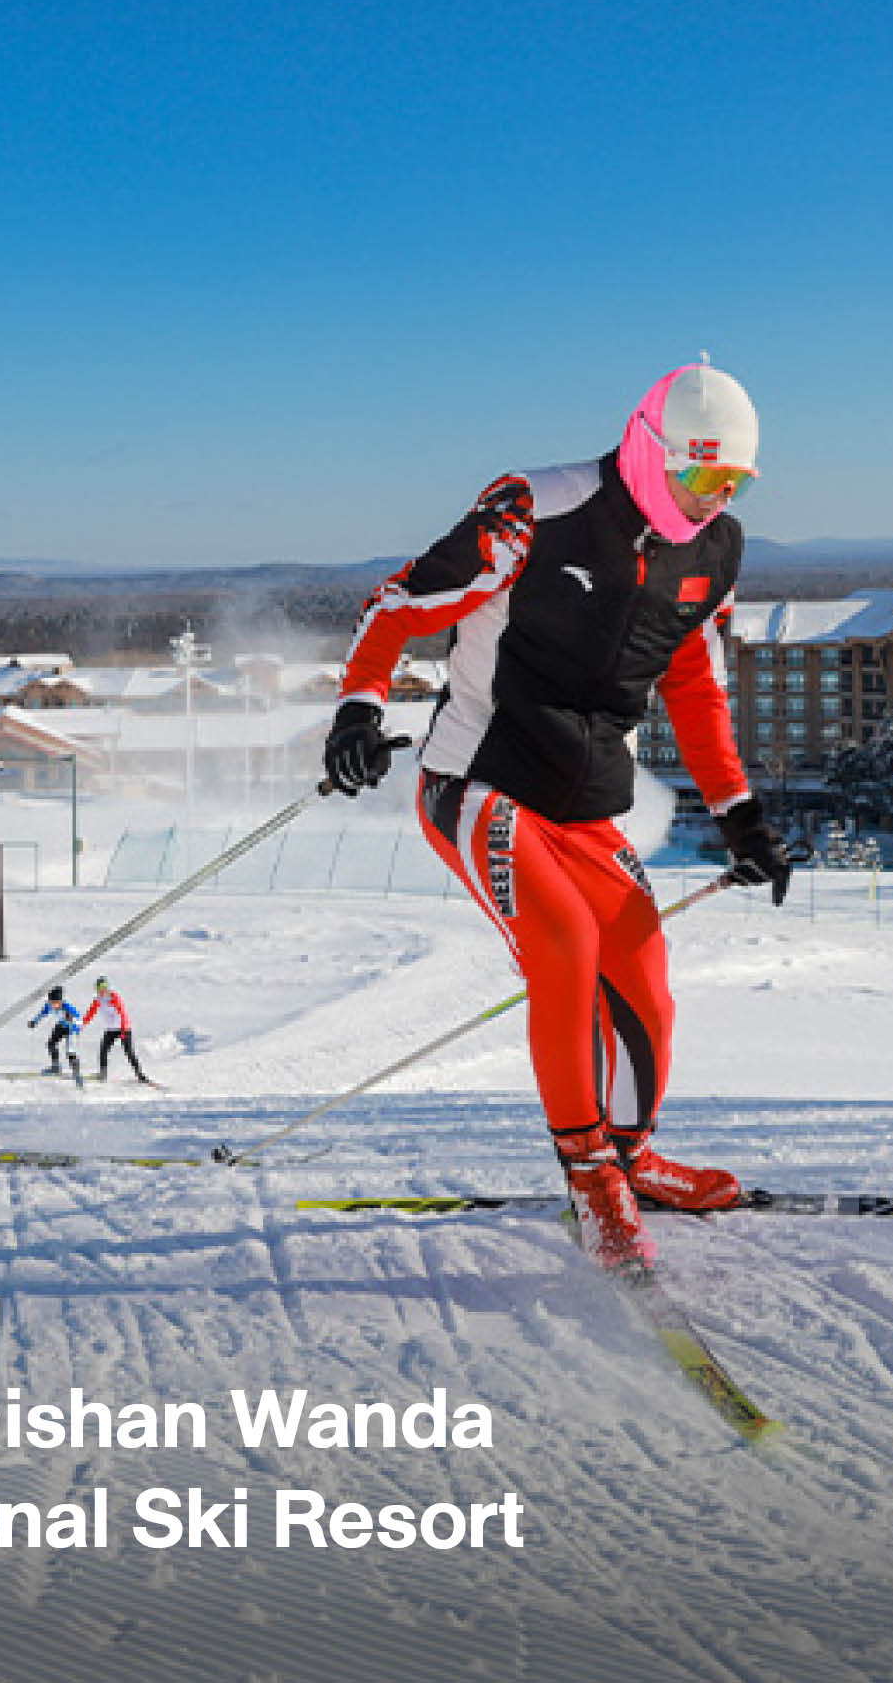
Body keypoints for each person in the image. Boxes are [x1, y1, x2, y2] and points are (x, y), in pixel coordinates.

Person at [323, 362, 793, 1272]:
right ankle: (588, 1179)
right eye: (701, 477)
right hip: (480, 780)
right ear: (652, 449)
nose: (712, 499)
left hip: (585, 805)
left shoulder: (716, 548)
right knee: (565, 947)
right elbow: (400, 602)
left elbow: (692, 681)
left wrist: (740, 816)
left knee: (644, 974)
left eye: (731, 483)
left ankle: (629, 1154)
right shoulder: (536, 508)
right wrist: (358, 708)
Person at [82, 976, 153, 1084]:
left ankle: (140, 1075)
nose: (102, 990)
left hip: (124, 1028)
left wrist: (124, 1030)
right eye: (99, 988)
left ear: (108, 987)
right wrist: (82, 1024)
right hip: (111, 1029)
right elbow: (90, 1014)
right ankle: (103, 1074)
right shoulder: (98, 1000)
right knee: (103, 1050)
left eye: (104, 987)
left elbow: (122, 1013)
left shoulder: (113, 997)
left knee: (129, 1052)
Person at [28, 984, 85, 1076]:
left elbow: (80, 1021)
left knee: (69, 1050)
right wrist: (34, 1022)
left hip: (72, 1028)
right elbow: (42, 1013)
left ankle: (76, 1070)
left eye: (56, 1003)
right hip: (61, 1025)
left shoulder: (67, 1007)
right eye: (52, 1002)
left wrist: (72, 1019)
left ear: (61, 1001)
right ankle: (55, 1067)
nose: (54, 1005)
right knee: (51, 1044)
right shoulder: (49, 1005)